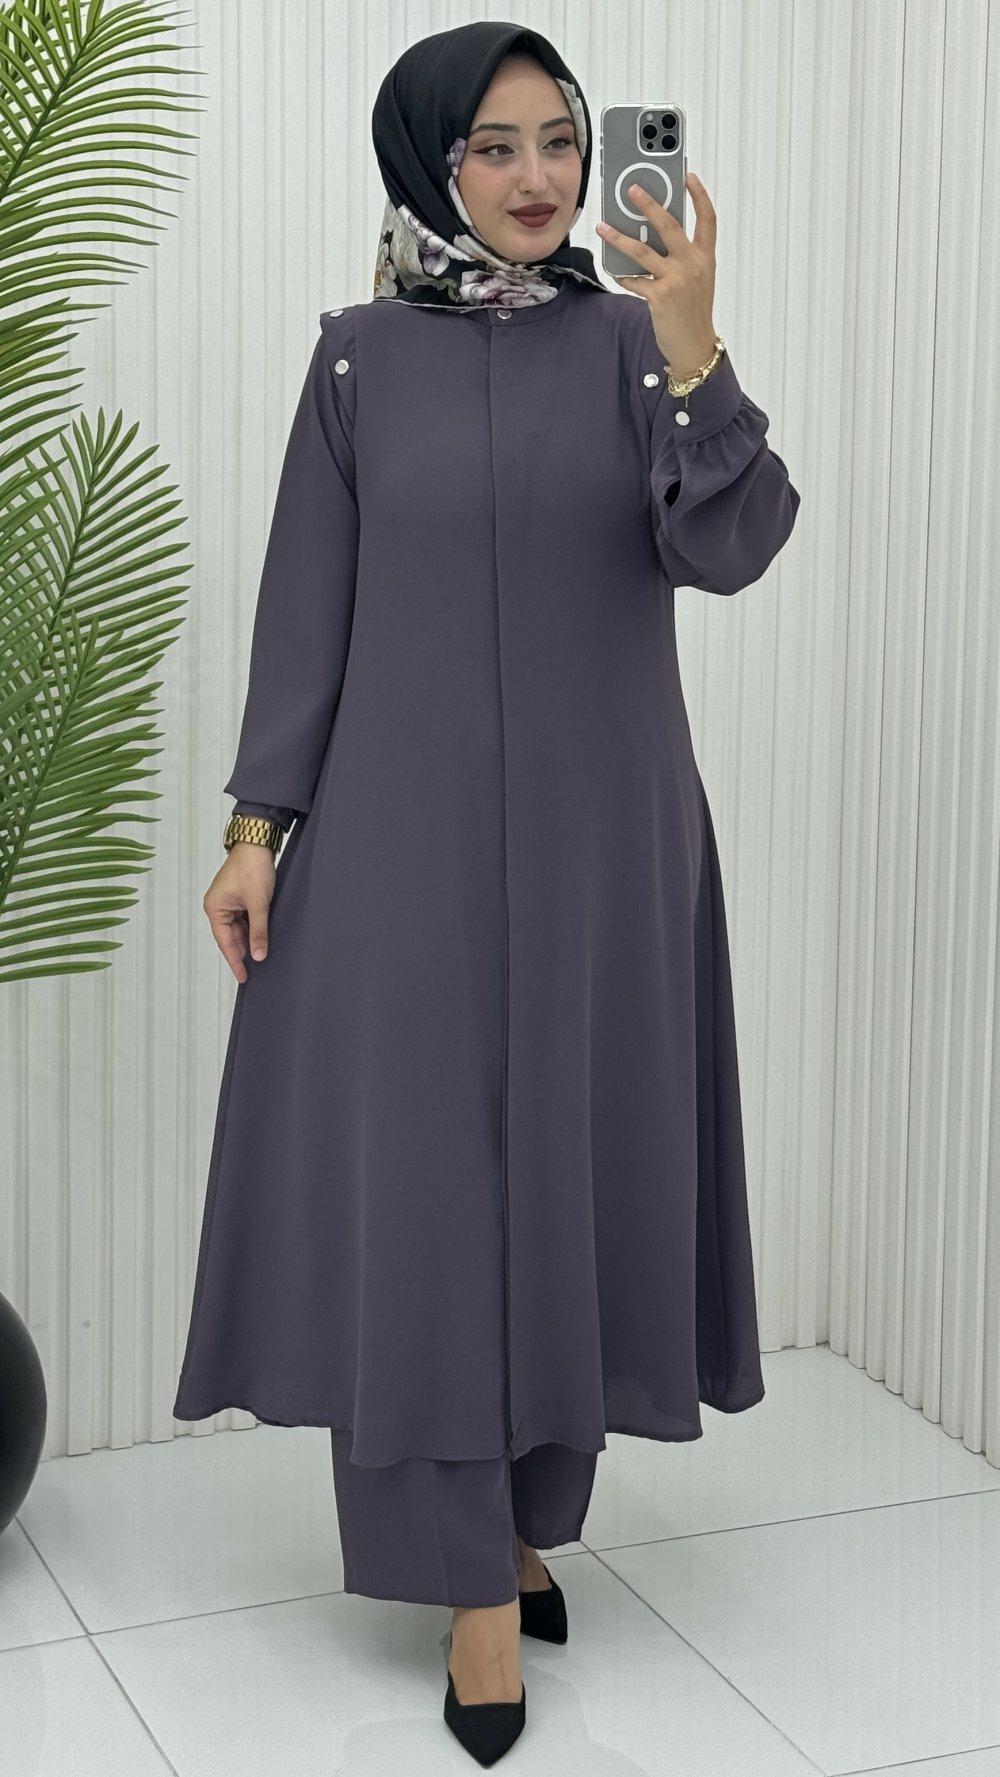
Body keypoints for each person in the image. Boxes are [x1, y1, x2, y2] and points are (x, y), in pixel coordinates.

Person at [172, 19, 800, 1765]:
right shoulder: (358, 359)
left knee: (572, 1183)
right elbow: (307, 607)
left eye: (561, 141)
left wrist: (694, 342)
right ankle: (467, 1593)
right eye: (494, 146)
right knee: (432, 1208)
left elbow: (734, 544)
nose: (537, 179)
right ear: (428, 162)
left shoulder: (637, 348)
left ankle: (523, 1519)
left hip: (608, 847)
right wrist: (257, 826)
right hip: (402, 850)